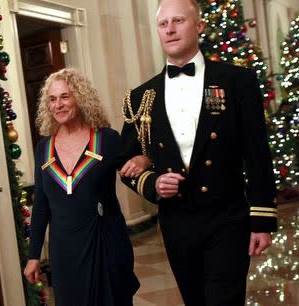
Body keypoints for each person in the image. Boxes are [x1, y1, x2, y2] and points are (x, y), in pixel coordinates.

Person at [117, 0, 277, 305]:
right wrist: (152, 184)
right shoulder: (141, 96)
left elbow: (257, 154)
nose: (170, 29)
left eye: (178, 21)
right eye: (164, 24)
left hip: (227, 216)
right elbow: (124, 160)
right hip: (177, 222)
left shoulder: (236, 81)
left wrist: (262, 220)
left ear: (199, 26)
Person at [24, 68, 148, 306]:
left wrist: (144, 160)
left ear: (80, 98)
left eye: (65, 96)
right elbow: (41, 206)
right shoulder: (43, 148)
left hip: (106, 245)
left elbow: (133, 167)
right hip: (64, 251)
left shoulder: (107, 139)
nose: (58, 104)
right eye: (52, 99)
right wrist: (33, 256)